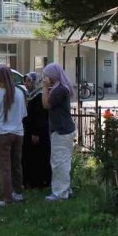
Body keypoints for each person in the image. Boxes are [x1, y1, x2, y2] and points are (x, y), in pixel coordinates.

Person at [0, 64, 27, 206]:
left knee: (4, 166)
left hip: (2, 133)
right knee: (16, 164)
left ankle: (6, 197)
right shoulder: (20, 93)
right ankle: (18, 193)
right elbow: (24, 114)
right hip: (18, 132)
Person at [42, 63, 76, 202]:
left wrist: (45, 88)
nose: (45, 78)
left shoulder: (59, 90)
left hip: (61, 130)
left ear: (53, 76)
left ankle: (60, 193)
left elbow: (46, 105)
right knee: (63, 161)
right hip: (64, 129)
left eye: (47, 75)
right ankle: (66, 189)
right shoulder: (61, 88)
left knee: (59, 162)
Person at [22, 72, 51, 189]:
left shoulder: (39, 96)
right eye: (25, 81)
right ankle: (29, 181)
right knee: (29, 156)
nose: (26, 83)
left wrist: (36, 132)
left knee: (39, 157)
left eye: (29, 81)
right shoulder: (29, 94)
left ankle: (40, 182)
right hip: (28, 130)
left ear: (35, 82)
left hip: (38, 132)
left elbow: (40, 116)